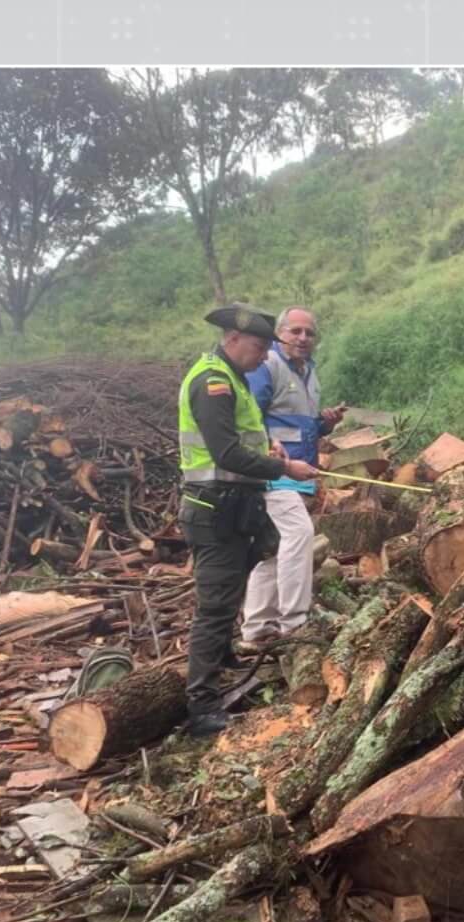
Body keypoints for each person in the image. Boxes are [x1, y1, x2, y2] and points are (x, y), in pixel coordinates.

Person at [177, 303, 319, 736]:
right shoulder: (212, 383)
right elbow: (226, 453)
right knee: (215, 607)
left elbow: (247, 438)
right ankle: (202, 704)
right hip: (213, 507)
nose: (263, 357)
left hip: (236, 504)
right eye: (258, 347)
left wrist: (270, 449)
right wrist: (284, 469)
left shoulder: (234, 378)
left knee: (235, 584)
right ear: (232, 339)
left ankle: (223, 659)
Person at [240, 306, 347, 644]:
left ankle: (256, 628)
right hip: (272, 470)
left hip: (299, 470)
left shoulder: (309, 373)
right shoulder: (267, 365)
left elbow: (301, 425)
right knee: (299, 534)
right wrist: (270, 452)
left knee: (274, 546)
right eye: (295, 331)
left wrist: (325, 423)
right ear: (280, 334)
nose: (303, 338)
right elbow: (248, 416)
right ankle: (294, 623)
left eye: (309, 333)